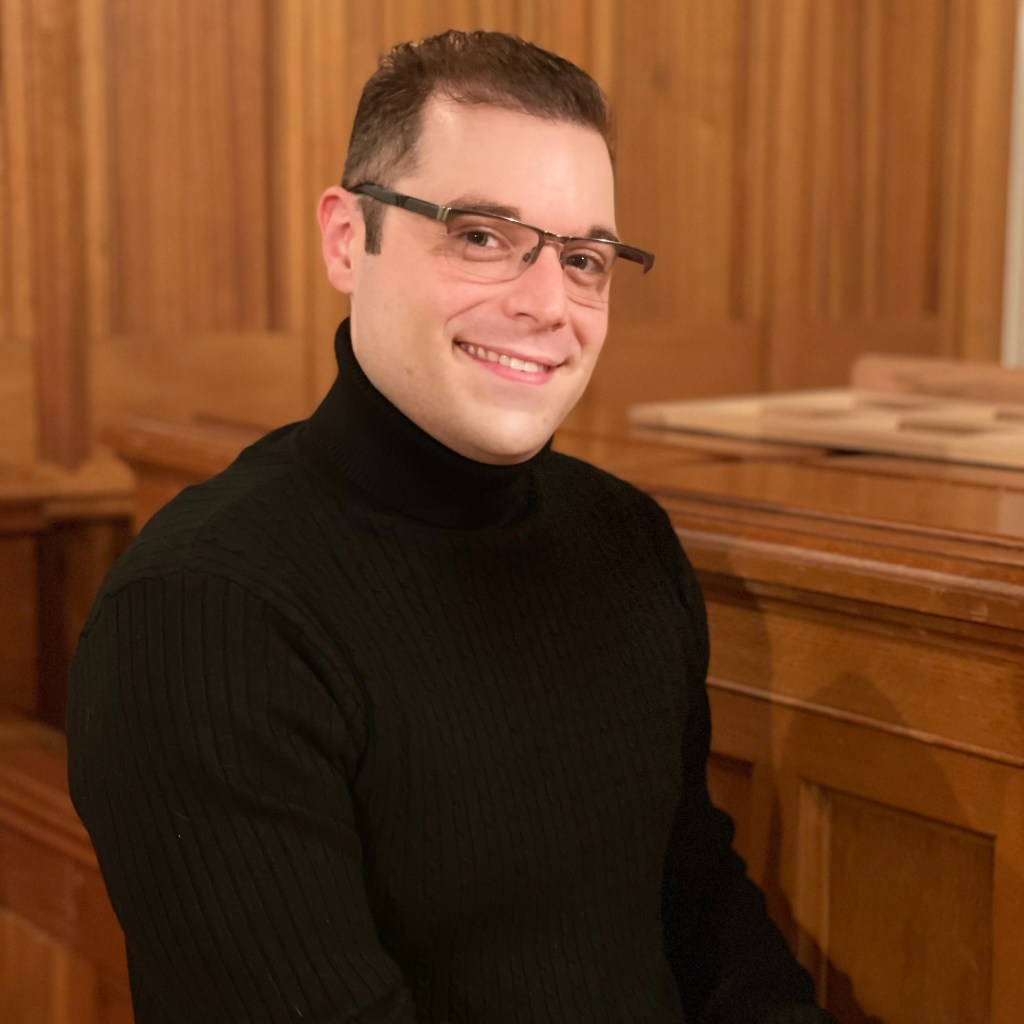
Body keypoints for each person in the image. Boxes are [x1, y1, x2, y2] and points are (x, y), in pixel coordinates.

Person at [67, 29, 835, 1024]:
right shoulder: (200, 611)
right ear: (348, 238)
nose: (548, 305)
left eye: (585, 259)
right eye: (482, 236)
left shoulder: (627, 538)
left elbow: (697, 906)